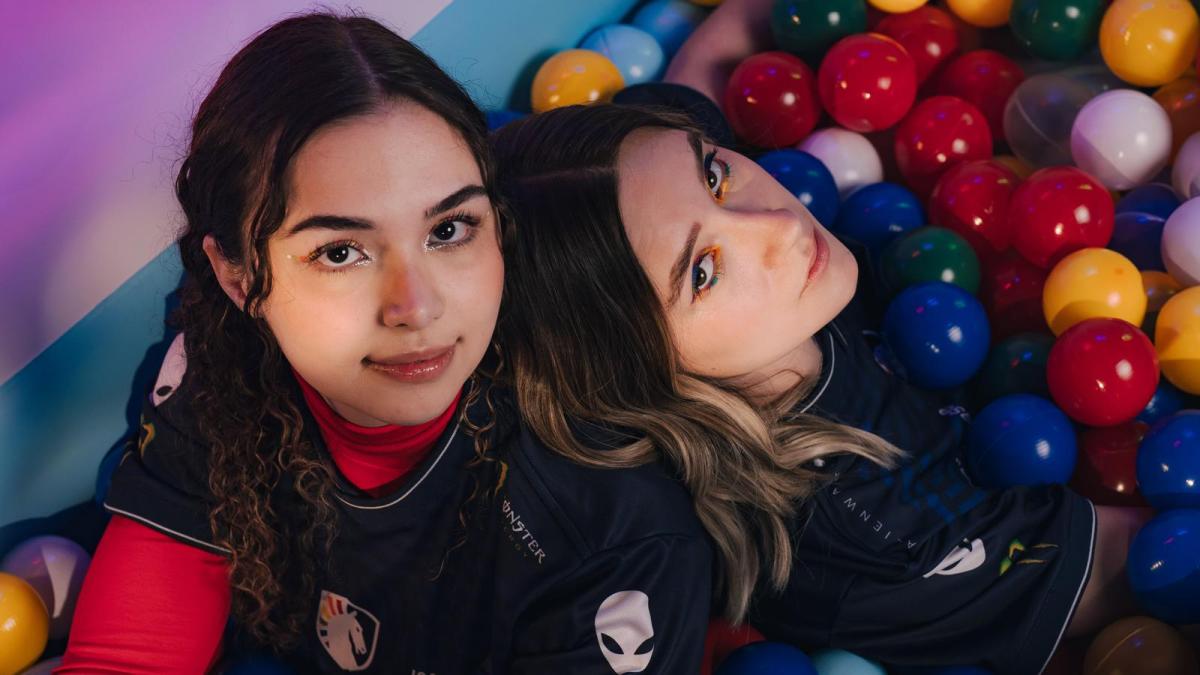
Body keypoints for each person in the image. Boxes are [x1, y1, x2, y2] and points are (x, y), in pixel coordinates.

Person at [59, 15, 712, 673]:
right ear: (238, 278)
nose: (416, 307)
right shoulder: (224, 366)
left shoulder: (614, 535)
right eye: (341, 251)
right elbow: (126, 653)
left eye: (450, 229)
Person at [491, 104, 1151, 674]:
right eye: (703, 272)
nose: (775, 223)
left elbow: (695, 74)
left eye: (716, 176)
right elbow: (1122, 569)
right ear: (641, 372)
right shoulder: (858, 517)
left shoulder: (639, 189)